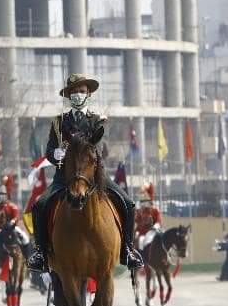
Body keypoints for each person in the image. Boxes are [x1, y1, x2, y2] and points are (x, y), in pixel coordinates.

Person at [27, 73, 143, 272]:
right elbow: (49, 152)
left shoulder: (98, 120)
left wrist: (78, 149)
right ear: (69, 96)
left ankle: (127, 249)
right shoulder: (58, 122)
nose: (78, 95)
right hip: (64, 176)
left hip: (94, 176)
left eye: (82, 91)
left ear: (88, 94)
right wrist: (56, 154)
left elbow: (99, 150)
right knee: (40, 206)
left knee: (128, 204)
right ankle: (40, 252)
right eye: (74, 92)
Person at [134, 183, 162, 252]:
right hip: (142, 232)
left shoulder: (155, 210)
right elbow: (137, 221)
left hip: (152, 231)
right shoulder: (139, 210)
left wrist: (155, 226)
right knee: (139, 240)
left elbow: (158, 221)